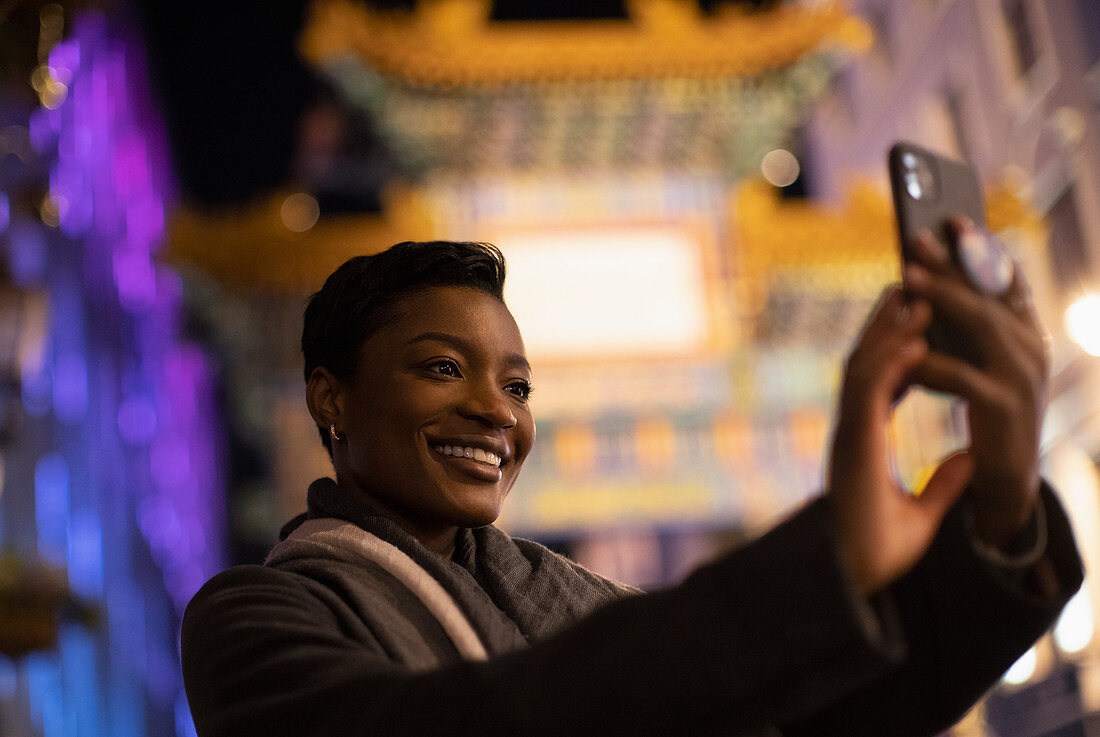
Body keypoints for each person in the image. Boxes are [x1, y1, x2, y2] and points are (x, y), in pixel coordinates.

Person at [181, 236, 1083, 737]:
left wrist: (1000, 516)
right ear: (330, 395)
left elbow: (816, 714)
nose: (496, 412)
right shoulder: (253, 618)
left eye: (519, 385)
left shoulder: (576, 599)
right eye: (443, 367)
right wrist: (826, 563)